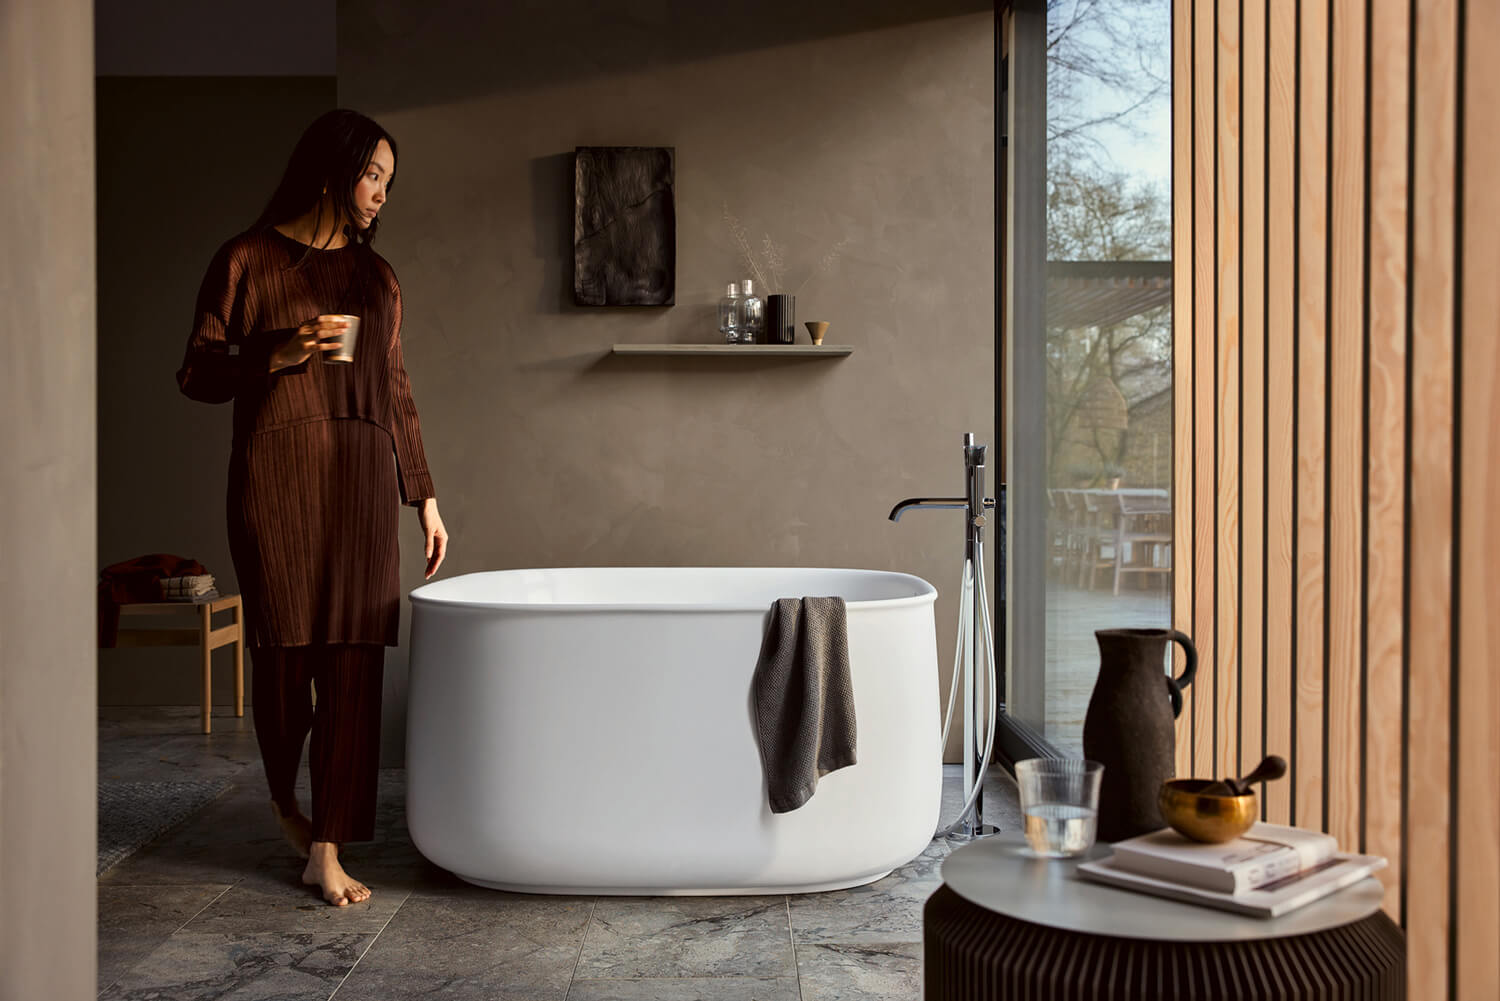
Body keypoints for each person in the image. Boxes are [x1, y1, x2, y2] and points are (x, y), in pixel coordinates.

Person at [176, 109, 449, 907]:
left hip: (361, 483)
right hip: (276, 479)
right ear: (332, 173)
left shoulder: (377, 278)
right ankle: (286, 803)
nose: (381, 197)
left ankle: (324, 844)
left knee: (355, 664)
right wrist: (278, 351)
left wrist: (424, 495)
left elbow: (396, 388)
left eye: (389, 184)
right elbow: (195, 370)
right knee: (287, 662)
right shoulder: (247, 260)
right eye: (373, 177)